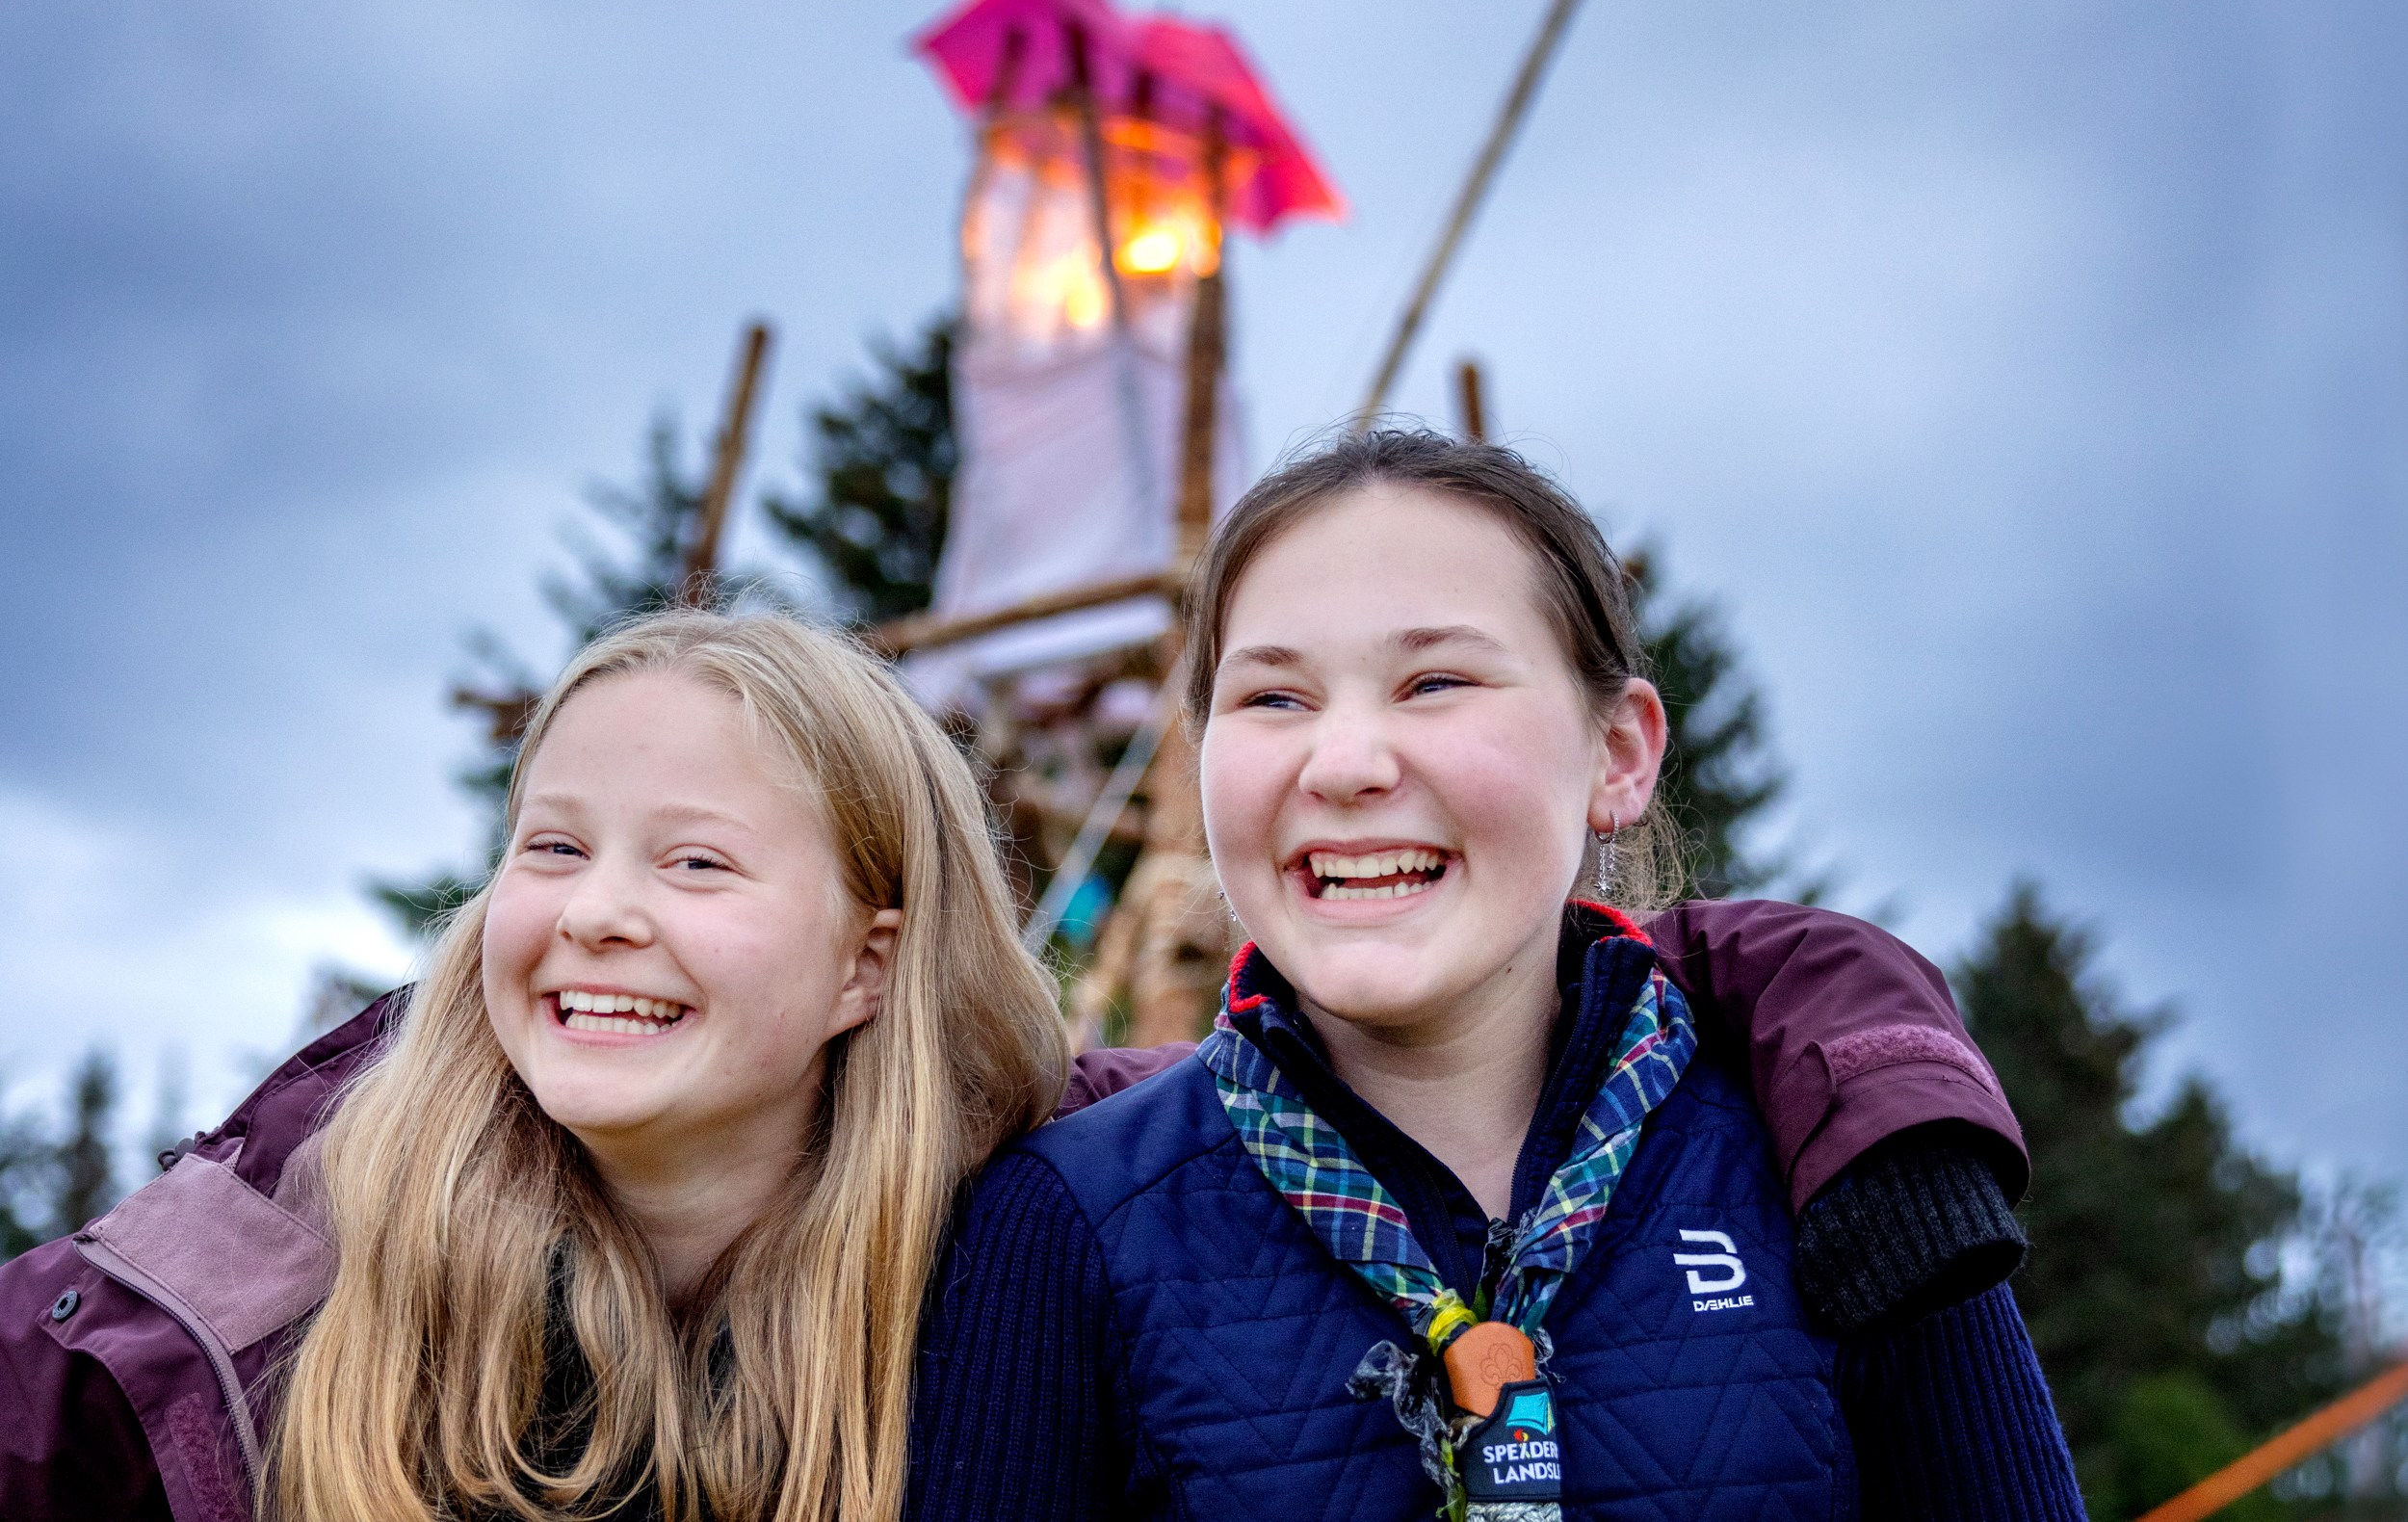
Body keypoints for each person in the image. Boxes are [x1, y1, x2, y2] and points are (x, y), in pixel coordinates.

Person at [7, 599, 2025, 1520]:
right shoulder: (269, 1275)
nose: (598, 911)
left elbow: (1577, 968)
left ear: (869, 960)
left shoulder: (1052, 1202)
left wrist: (1876, 1065)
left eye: (695, 863)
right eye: (550, 849)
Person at [908, 430, 2087, 1520]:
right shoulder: (1062, 1220)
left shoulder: (1836, 1169)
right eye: (1272, 697)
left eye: (1435, 682)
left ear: (1616, 753)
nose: (1345, 762)